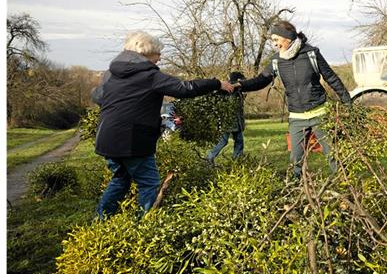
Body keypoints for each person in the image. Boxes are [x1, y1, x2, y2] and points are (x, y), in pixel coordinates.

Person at [91, 31, 234, 218]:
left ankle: (101, 219)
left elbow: (97, 95)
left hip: (106, 138)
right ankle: (145, 227)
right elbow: (185, 88)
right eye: (158, 53)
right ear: (146, 53)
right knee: (149, 183)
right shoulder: (149, 75)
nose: (159, 57)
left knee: (120, 179)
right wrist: (217, 83)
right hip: (132, 140)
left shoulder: (111, 74)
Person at [239, 20, 351, 179]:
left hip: (321, 114)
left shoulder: (311, 53)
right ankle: (296, 191)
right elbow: (261, 80)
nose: (275, 44)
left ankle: (346, 186)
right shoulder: (276, 60)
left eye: (276, 40)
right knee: (295, 162)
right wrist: (240, 86)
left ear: (287, 37)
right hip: (297, 118)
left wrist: (348, 103)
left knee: (333, 156)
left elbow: (332, 78)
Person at [206, 71, 247, 162]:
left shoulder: (238, 91)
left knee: (239, 141)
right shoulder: (226, 89)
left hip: (237, 122)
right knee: (223, 141)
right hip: (227, 122)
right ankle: (209, 158)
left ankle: (237, 161)